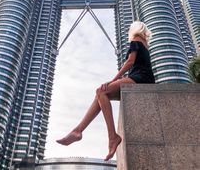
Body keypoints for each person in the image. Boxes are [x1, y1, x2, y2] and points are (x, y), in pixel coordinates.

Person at [56, 21, 155, 161]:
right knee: (100, 94)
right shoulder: (144, 43)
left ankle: (111, 137)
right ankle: (77, 131)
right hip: (145, 79)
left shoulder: (135, 39)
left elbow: (130, 62)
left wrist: (113, 80)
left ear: (134, 29)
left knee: (101, 91)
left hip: (140, 78)